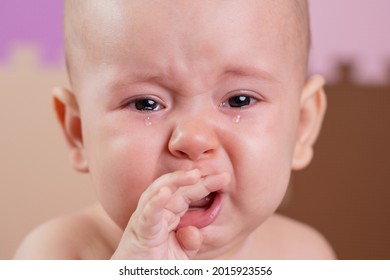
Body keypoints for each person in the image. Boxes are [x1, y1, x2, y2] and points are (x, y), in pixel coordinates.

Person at [14, 0, 336, 259]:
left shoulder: (306, 255)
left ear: (302, 125)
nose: (193, 140)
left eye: (239, 100)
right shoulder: (55, 255)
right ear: (78, 131)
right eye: (145, 104)